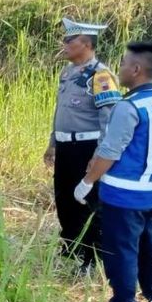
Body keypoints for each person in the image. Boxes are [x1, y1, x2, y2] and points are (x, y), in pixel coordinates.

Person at [76, 41, 152, 302]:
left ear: (136, 69)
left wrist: (87, 182)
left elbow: (109, 151)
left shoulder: (128, 106)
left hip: (124, 196)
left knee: (121, 253)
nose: (119, 69)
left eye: (123, 64)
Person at [44, 18, 122, 272]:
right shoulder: (67, 73)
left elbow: (109, 118)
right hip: (66, 146)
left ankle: (91, 258)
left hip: (88, 147)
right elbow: (60, 112)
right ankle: (71, 250)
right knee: (64, 198)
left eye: (70, 40)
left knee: (88, 202)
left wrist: (100, 154)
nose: (64, 44)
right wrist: (53, 143)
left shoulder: (101, 75)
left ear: (86, 44)